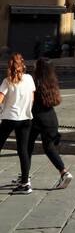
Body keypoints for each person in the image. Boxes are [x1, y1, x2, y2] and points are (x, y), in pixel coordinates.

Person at [29, 58, 72, 189]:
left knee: (28, 146)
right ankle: (64, 172)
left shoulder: (35, 82)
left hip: (36, 118)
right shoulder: (52, 81)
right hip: (51, 118)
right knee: (47, 146)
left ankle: (26, 176)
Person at [0, 53, 37, 194]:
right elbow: (32, 98)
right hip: (26, 118)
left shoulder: (7, 81)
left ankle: (24, 182)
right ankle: (25, 183)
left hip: (10, 118)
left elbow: (0, 99)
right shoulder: (29, 79)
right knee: (23, 151)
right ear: (23, 65)